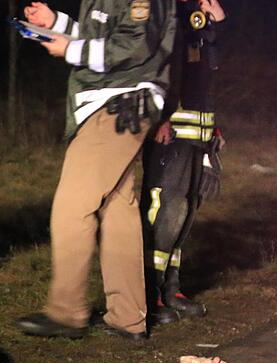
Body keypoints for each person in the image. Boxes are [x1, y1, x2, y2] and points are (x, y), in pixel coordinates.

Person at [14, 0, 175, 341]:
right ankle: (128, 317)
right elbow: (104, 37)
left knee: (72, 207)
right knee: (118, 208)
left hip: (120, 105)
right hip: (113, 104)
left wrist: (71, 48)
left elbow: (135, 45)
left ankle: (66, 312)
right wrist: (56, 23)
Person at [140, 0, 226, 324]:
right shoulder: (165, 12)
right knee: (164, 211)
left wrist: (212, 128)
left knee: (185, 213)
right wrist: (157, 119)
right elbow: (154, 67)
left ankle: (171, 289)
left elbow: (203, 75)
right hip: (171, 134)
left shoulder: (199, 21)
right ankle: (150, 294)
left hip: (197, 135)